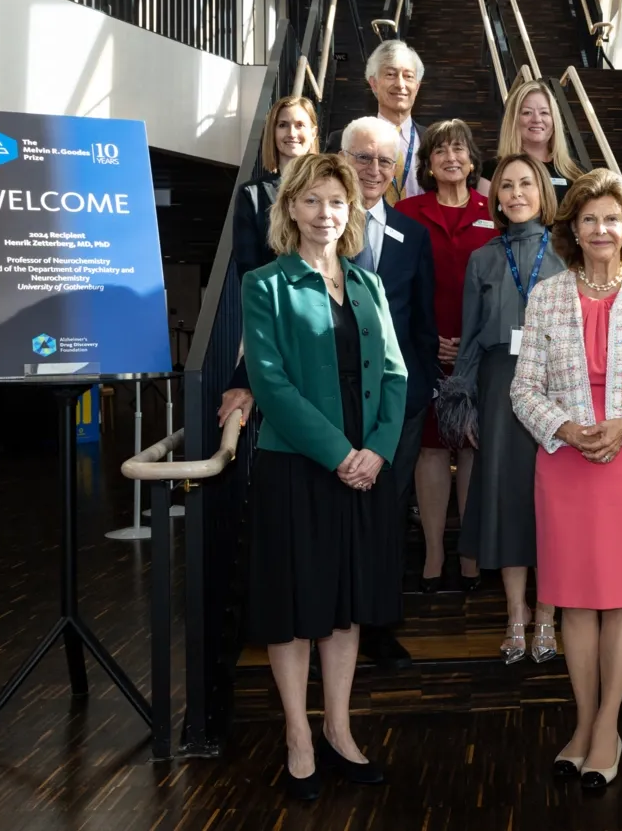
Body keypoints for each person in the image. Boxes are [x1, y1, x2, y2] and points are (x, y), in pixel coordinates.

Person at [509, 169, 622, 791]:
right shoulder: (546, 295)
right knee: (573, 600)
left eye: (611, 218)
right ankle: (584, 724)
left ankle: (608, 728)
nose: (600, 229)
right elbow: (523, 389)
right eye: (589, 218)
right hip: (562, 462)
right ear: (573, 228)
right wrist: (564, 428)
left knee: (619, 599)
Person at [240, 153, 407, 799]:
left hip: (365, 469)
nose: (325, 213)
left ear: (351, 210)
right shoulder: (266, 284)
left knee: (344, 608)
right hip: (301, 469)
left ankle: (338, 728)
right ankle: (297, 735)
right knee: (295, 608)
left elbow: (394, 373)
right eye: (311, 200)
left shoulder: (368, 285)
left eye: (336, 201)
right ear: (289, 209)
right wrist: (340, 452)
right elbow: (270, 384)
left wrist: (379, 450)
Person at [438, 154, 566, 664]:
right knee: (508, 502)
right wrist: (463, 401)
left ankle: (549, 617)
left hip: (558, 385)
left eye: (526, 184)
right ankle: (516, 613)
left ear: (543, 191)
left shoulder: (568, 252)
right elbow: (468, 338)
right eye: (507, 185)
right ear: (496, 196)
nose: (516, 193)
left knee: (553, 504)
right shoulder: (482, 258)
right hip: (498, 387)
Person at [340, 117, 440, 668]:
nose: (373, 170)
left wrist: (418, 390)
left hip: (397, 405)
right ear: (343, 158)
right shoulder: (321, 227)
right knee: (336, 511)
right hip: (330, 402)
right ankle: (331, 620)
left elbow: (422, 325)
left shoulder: (412, 234)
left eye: (385, 160)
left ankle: (379, 623)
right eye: (363, 157)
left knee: (386, 512)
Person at [396, 119, 498, 591]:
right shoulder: (406, 211)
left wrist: (471, 342)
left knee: (474, 444)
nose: (451, 158)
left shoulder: (493, 212)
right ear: (428, 163)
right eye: (441, 151)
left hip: (480, 351)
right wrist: (428, 338)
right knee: (432, 450)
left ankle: (471, 551)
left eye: (459, 150)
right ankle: (435, 553)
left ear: (473, 161)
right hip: (424, 348)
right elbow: (397, 285)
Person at [218, 96, 320, 434]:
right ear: (272, 133)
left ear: (313, 131)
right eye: (283, 124)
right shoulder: (252, 194)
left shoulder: (332, 191)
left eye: (300, 124)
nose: (292, 132)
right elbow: (248, 269)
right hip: (272, 319)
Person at [477, 78, 583, 200]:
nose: (537, 119)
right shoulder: (493, 171)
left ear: (554, 120)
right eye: (527, 113)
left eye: (544, 113)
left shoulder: (575, 172)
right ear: (514, 120)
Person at [366, 39, 428, 205]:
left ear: (417, 86)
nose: (400, 84)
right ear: (373, 83)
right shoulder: (347, 139)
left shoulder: (433, 141)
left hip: (421, 229)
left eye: (408, 76)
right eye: (391, 75)